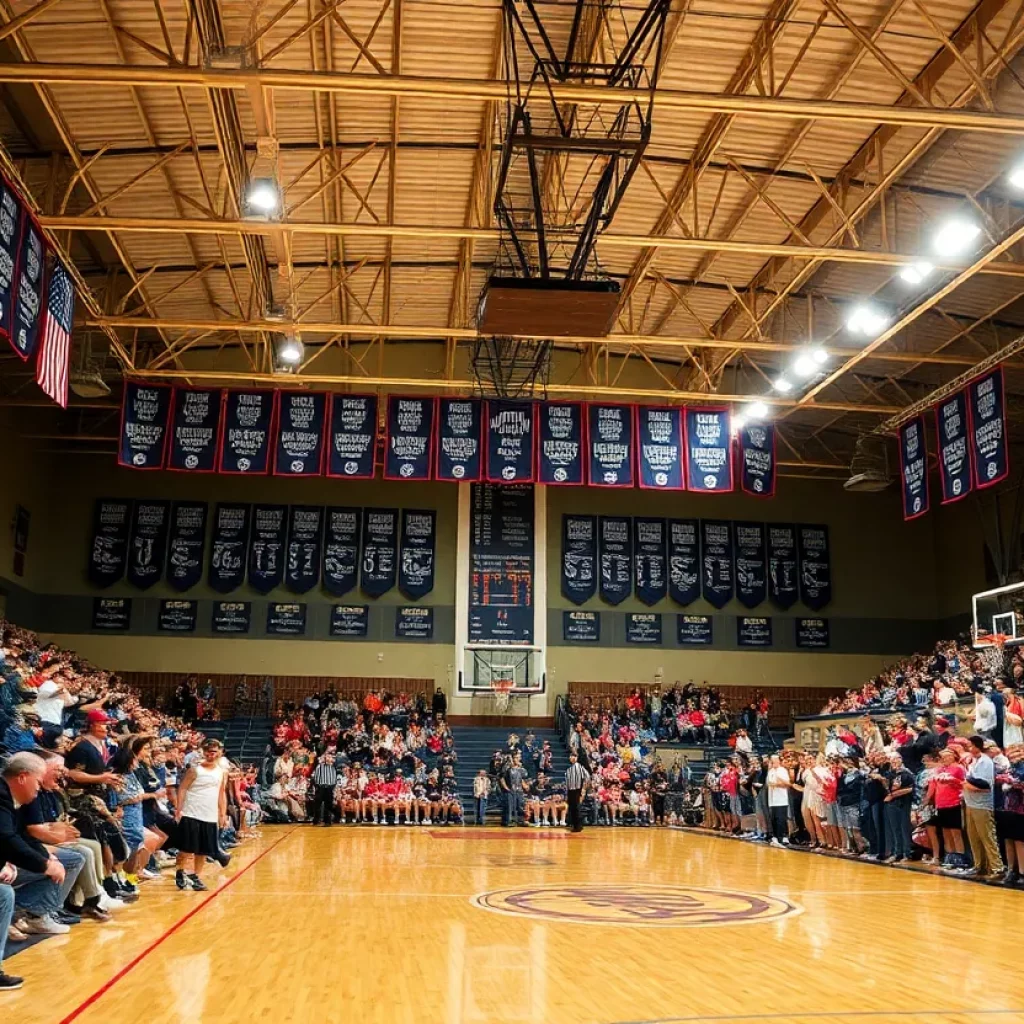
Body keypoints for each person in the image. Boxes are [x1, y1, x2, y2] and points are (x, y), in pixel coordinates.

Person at [1, 751, 84, 942]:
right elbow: (6, 838)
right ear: (22, 777)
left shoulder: (11, 796)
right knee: (5, 893)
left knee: (63, 862)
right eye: (38, 782)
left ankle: (30, 913)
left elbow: (19, 835)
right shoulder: (3, 796)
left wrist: (45, 859)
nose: (38, 789)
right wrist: (44, 865)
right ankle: (30, 914)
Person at [173, 738, 229, 891]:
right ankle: (179, 871)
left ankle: (195, 875)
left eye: (214, 751)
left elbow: (221, 793)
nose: (211, 754)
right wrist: (179, 808)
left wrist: (222, 814)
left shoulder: (222, 772)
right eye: (208, 751)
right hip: (192, 812)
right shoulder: (195, 770)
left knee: (203, 850)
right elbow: (183, 788)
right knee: (186, 847)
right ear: (203, 752)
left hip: (210, 814)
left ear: (219, 753)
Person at [962, 734, 1003, 879]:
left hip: (982, 805)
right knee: (974, 837)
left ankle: (997, 868)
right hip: (970, 803)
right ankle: (980, 866)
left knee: (987, 837)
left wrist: (967, 784)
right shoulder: (974, 761)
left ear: (977, 746)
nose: (968, 747)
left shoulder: (985, 762)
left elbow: (985, 785)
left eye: (970, 745)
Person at [766, 754, 790, 846]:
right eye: (771, 761)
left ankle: (783, 836)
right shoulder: (770, 771)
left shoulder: (783, 770)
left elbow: (786, 784)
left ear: (778, 761)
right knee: (774, 818)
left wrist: (776, 784)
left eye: (774, 761)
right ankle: (775, 836)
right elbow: (768, 783)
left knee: (781, 818)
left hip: (781, 799)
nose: (773, 762)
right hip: (772, 799)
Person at [310, 751, 338, 827]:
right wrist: (317, 786)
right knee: (317, 805)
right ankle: (316, 820)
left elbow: (335, 776)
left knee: (328, 805)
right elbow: (315, 776)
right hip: (321, 787)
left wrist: (333, 786)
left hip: (329, 787)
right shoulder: (319, 766)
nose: (328, 758)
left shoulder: (334, 766)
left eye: (330, 757)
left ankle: (327, 821)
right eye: (327, 757)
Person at [565, 752, 590, 833]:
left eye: (575, 756)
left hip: (577, 790)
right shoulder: (568, 770)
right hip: (570, 791)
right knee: (572, 808)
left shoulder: (580, 767)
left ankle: (579, 826)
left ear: (577, 758)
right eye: (571, 756)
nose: (573, 758)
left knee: (577, 808)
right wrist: (567, 793)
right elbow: (567, 783)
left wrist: (583, 789)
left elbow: (587, 777)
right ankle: (574, 825)